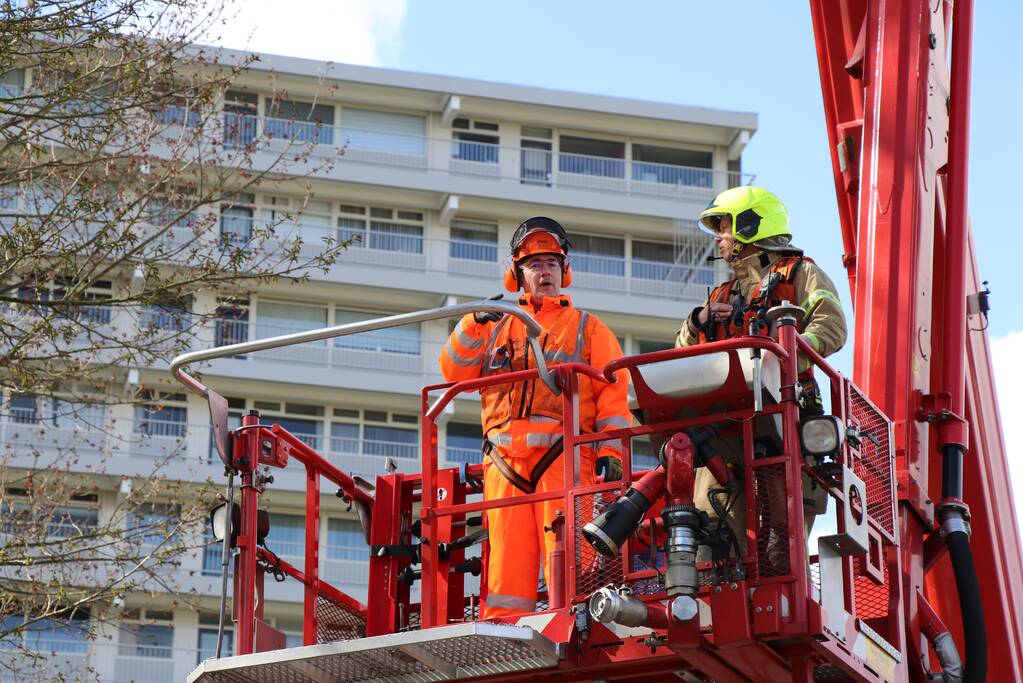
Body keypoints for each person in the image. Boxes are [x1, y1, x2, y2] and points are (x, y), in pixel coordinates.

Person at [439, 216, 630, 618]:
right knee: (505, 565)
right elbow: (453, 373)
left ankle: (578, 621)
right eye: (534, 265)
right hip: (503, 464)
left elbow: (613, 399)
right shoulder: (493, 325)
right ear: (517, 275)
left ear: (565, 272)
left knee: (569, 559)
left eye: (551, 264)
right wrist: (473, 323)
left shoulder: (588, 329)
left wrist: (611, 453)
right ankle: (505, 634)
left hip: (563, 457)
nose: (545, 272)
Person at [676, 186, 848, 566]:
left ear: (749, 227)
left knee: (780, 553)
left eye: (723, 227)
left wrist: (782, 359)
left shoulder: (801, 274)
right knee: (712, 542)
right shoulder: (721, 295)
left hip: (786, 424)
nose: (718, 238)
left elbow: (831, 327)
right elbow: (681, 353)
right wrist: (699, 321)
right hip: (724, 435)